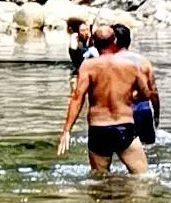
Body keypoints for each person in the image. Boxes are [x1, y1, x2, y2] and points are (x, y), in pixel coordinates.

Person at [57, 22, 162, 178]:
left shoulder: (87, 66)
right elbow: (148, 93)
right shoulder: (130, 66)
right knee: (142, 177)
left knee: (99, 178)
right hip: (123, 126)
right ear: (114, 42)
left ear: (93, 43)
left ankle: (105, 202)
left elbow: (77, 98)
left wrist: (66, 130)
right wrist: (128, 96)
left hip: (98, 129)